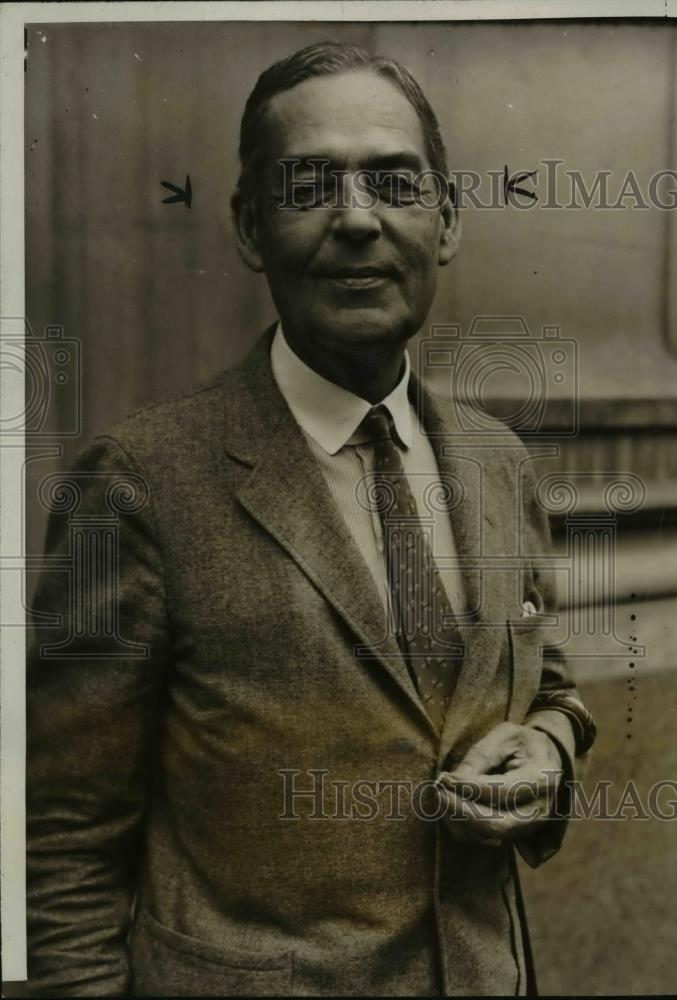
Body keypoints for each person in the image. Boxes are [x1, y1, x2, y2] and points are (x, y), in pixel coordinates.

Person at [26, 41, 596, 997]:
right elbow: (61, 836)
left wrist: (551, 743)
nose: (358, 220)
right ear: (251, 227)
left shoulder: (498, 462)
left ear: (446, 221)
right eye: (308, 186)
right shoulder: (134, 483)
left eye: (395, 184)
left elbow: (551, 685)